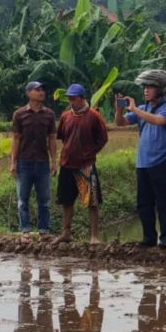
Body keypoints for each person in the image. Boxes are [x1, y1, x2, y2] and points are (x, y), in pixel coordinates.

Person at [116, 70, 166, 249]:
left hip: (161, 161)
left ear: (160, 89)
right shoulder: (143, 109)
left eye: (150, 87)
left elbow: (158, 121)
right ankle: (149, 237)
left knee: (163, 201)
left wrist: (134, 109)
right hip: (142, 162)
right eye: (144, 87)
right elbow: (121, 123)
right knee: (144, 203)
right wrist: (120, 109)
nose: (145, 90)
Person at [54, 84, 109, 244]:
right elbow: (63, 138)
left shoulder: (94, 116)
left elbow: (103, 138)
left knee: (91, 201)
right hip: (67, 164)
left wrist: (91, 153)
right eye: (69, 99)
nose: (71, 102)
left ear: (83, 98)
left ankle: (94, 236)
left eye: (74, 99)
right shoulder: (65, 117)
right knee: (66, 201)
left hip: (86, 165)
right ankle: (66, 233)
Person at [10, 81, 58, 241]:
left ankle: (44, 231)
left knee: (44, 200)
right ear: (28, 93)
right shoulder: (19, 114)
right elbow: (16, 139)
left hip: (42, 163)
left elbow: (52, 139)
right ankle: (25, 231)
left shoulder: (49, 114)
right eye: (37, 90)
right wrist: (12, 162)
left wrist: (54, 161)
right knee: (22, 199)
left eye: (42, 89)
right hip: (24, 163)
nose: (41, 92)